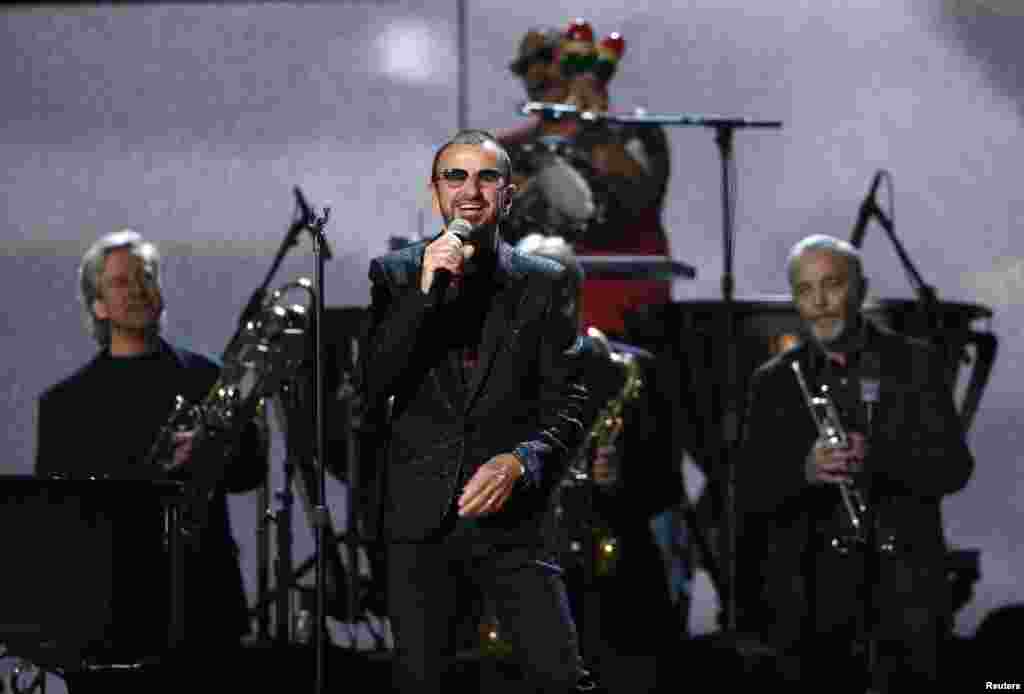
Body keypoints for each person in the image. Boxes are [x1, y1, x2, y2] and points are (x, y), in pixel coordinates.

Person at [358, 129, 588, 692]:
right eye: (455, 177)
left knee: (559, 676)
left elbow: (571, 403)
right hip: (420, 520)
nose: (470, 190)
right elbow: (373, 385)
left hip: (514, 521)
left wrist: (521, 461)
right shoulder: (395, 274)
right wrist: (422, 293)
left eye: (486, 177)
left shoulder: (543, 283)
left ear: (508, 195)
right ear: (435, 191)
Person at [737, 234, 974, 692]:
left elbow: (954, 468)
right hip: (812, 608)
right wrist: (804, 471)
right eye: (805, 290)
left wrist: (880, 457)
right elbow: (749, 491)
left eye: (832, 285)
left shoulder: (915, 363)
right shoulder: (774, 381)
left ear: (861, 289)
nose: (820, 303)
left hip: (904, 601)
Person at [35, 230, 267, 667]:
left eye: (146, 278)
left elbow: (250, 473)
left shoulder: (208, 378)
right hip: (109, 612)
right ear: (98, 306)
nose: (138, 290)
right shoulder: (65, 405)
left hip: (204, 604)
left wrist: (213, 448)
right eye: (121, 282)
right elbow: (56, 522)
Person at [499, 17, 673, 336]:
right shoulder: (508, 150)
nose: (538, 73)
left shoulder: (634, 133)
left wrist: (594, 127)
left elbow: (641, 203)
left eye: (547, 58)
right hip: (537, 313)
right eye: (526, 66)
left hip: (626, 311)